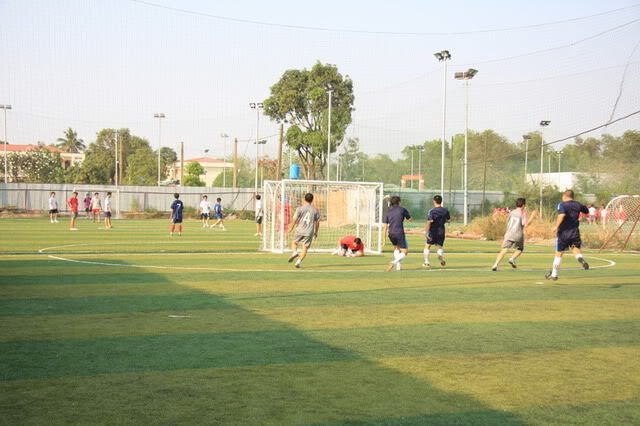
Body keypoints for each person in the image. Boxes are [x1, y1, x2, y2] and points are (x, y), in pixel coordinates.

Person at [546, 189, 589, 281]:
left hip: (563, 233)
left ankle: (554, 275)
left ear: (565, 196)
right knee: (575, 249)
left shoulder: (562, 204)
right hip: (574, 232)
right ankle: (581, 259)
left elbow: (561, 215)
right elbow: (586, 211)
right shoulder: (578, 204)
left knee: (559, 253)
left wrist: (556, 226)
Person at [492, 198, 537, 271]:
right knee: (520, 249)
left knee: (504, 249)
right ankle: (512, 258)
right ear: (523, 205)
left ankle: (495, 265)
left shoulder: (512, 212)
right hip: (518, 234)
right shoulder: (523, 213)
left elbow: (508, 221)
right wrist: (532, 216)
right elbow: (525, 225)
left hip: (509, 233)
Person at [287, 192, 321, 268]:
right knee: (305, 248)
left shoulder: (300, 208)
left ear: (304, 199)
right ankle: (298, 262)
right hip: (309, 232)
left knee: (294, 242)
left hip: (300, 230)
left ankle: (295, 252)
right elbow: (318, 222)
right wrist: (316, 232)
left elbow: (295, 219)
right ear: (312, 200)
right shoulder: (315, 210)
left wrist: (291, 228)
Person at [383, 195, 412, 272]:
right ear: (399, 202)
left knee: (396, 248)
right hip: (399, 232)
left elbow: (385, 225)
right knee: (405, 252)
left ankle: (398, 267)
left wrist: (384, 237)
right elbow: (410, 219)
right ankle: (394, 262)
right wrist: (407, 219)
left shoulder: (388, 211)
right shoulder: (402, 209)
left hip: (391, 233)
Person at [423, 195, 450, 268]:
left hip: (433, 231)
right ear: (441, 201)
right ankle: (440, 256)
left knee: (427, 246)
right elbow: (448, 220)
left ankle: (426, 262)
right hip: (441, 231)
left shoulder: (432, 211)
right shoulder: (445, 210)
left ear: (434, 201)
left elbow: (429, 221)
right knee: (439, 247)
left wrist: (426, 232)